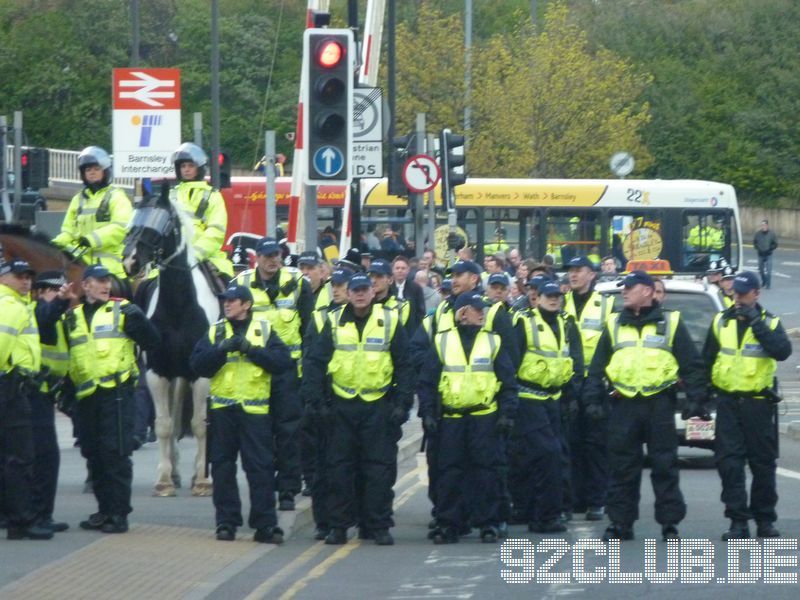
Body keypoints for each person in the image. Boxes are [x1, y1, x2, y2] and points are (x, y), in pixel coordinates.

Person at [583, 270, 708, 542]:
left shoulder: (672, 322)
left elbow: (692, 365)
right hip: (623, 405)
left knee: (665, 466)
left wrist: (697, 399)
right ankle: (620, 523)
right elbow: (597, 368)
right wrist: (592, 399)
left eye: (630, 287)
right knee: (622, 467)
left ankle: (669, 523)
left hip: (659, 405)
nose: (624, 292)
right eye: (623, 288)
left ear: (648, 291)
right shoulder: (614, 323)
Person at [301, 274, 413, 546]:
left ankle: (377, 525)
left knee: (379, 471)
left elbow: (405, 365)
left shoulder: (389, 321)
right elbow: (315, 363)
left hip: (377, 407)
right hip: (341, 407)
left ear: (372, 293)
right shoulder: (333, 322)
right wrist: (317, 403)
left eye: (365, 290)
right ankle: (338, 527)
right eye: (355, 290)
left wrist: (402, 403)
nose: (360, 295)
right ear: (348, 294)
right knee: (338, 470)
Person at [190, 284, 293, 543]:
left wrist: (251, 350)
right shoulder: (215, 331)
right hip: (223, 411)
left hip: (255, 412)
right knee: (222, 469)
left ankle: (265, 524)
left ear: (246, 305)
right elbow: (198, 365)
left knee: (260, 469)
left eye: (233, 300)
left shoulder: (264, 330)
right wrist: (221, 350)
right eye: (225, 300)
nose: (227, 304)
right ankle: (226, 522)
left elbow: (283, 363)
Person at [417, 292, 518, 544]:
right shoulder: (441, 342)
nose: (482, 313)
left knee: (487, 472)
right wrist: (428, 413)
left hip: (485, 418)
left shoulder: (493, 342)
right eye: (476, 309)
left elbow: (508, 382)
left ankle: (489, 523)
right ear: (462, 314)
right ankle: (450, 523)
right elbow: (427, 383)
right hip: (451, 419)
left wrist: (507, 413)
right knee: (449, 472)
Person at [67, 265, 159, 534]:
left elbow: (153, 341)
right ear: (86, 286)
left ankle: (118, 514)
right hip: (86, 397)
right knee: (93, 455)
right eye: (99, 281)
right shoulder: (71, 317)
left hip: (117, 395)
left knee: (115, 455)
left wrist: (139, 320)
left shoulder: (122, 310)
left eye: (108, 281)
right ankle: (103, 510)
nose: (106, 286)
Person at [702, 271, 792, 540]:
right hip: (729, 402)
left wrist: (757, 324)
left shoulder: (770, 322)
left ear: (756, 294)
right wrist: (701, 398)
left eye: (743, 294)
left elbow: (782, 351)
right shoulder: (721, 321)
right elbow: (707, 361)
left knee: (762, 464)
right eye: (735, 293)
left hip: (758, 404)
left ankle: (764, 520)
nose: (738, 298)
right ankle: (738, 521)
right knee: (729, 464)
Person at [232, 237, 314, 511]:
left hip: (289, 373)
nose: (272, 260)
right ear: (257, 257)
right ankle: (266, 486)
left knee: (289, 433)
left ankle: (288, 490)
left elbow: (309, 330)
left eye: (276, 255)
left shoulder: (298, 282)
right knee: (261, 434)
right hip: (256, 372)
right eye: (267, 256)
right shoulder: (242, 283)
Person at [510, 280, 583, 533]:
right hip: (529, 398)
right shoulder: (524, 322)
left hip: (554, 398)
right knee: (548, 455)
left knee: (551, 456)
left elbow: (572, 360)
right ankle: (545, 516)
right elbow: (511, 362)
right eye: (548, 296)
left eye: (557, 296)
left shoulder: (565, 323)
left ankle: (537, 510)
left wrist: (572, 396)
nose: (554, 300)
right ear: (536, 297)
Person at [0, 259, 54, 540]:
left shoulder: (15, 304)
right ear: (4, 278)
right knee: (20, 457)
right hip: (11, 387)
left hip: (12, 384)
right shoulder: (9, 307)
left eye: (29, 277)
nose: (26, 282)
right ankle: (21, 521)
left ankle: (11, 516)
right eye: (19, 276)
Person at [563, 255, 614, 522]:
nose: (573, 275)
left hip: (595, 385)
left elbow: (610, 346)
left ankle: (597, 500)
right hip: (569, 383)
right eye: (571, 270)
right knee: (572, 444)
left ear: (591, 274)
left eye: (578, 270)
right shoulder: (561, 303)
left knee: (596, 444)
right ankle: (575, 499)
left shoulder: (605, 305)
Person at [31, 270, 76, 533]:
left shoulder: (59, 317)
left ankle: (42, 514)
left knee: (46, 457)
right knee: (42, 457)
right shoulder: (38, 311)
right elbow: (44, 320)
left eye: (60, 289)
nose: (57, 294)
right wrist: (61, 301)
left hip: (49, 393)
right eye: (51, 289)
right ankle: (37, 515)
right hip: (33, 393)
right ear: (39, 292)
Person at [52, 146, 132, 281]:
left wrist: (91, 239)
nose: (92, 173)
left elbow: (121, 227)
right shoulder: (77, 199)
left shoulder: (117, 196)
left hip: (112, 269)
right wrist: (52, 244)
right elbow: (68, 232)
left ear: (105, 171)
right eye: (88, 170)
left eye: (96, 169)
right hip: (82, 266)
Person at [170, 142, 233, 280]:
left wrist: (195, 254)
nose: (186, 169)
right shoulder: (171, 195)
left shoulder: (212, 195)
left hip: (207, 258)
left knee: (229, 294)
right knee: (145, 287)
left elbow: (216, 231)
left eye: (191, 166)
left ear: (199, 168)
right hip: (173, 259)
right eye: (183, 166)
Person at [391, 255, 426, 333]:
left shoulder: (416, 288)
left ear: (408, 270)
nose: (400, 270)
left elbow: (420, 312)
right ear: (392, 270)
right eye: (397, 268)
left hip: (410, 332)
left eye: (403, 268)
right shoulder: (388, 288)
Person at [753, 219, 778, 289]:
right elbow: (755, 243)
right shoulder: (758, 234)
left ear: (767, 225)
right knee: (761, 270)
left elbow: (775, 244)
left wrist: (770, 249)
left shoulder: (772, 234)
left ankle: (768, 284)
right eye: (762, 225)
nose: (763, 226)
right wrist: (758, 248)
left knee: (769, 271)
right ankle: (764, 281)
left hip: (768, 254)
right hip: (760, 254)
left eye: (764, 225)